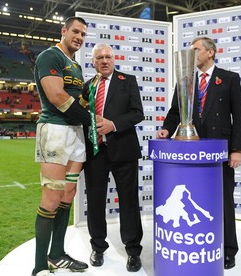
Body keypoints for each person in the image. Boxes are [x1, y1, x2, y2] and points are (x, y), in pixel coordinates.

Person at [156, 36, 241, 270]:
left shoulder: (229, 79)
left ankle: (228, 250)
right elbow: (175, 111)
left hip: (220, 152)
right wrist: (166, 128)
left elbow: (239, 117)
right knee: (197, 200)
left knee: (224, 200)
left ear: (210, 53)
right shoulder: (186, 80)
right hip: (192, 151)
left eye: (196, 50)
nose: (192, 54)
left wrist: (236, 149)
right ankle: (201, 244)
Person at [32, 16, 93, 276]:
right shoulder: (50, 56)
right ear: (64, 31)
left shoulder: (76, 66)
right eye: (75, 31)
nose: (79, 37)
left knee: (68, 194)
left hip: (75, 133)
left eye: (83, 34)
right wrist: (91, 119)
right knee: (52, 198)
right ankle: (39, 267)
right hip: (55, 131)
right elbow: (57, 96)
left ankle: (56, 255)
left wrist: (90, 111)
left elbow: (78, 100)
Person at [82, 43, 144, 272]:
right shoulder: (87, 87)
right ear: (93, 62)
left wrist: (113, 125)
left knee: (129, 201)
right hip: (95, 153)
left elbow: (138, 113)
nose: (104, 60)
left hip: (124, 152)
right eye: (100, 57)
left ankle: (133, 250)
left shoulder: (127, 81)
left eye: (108, 56)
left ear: (114, 59)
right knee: (95, 202)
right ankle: (98, 247)